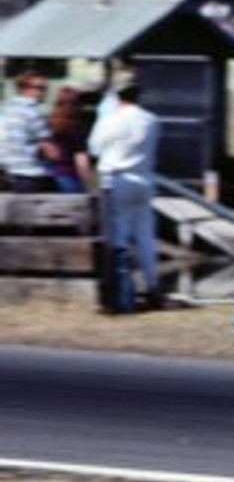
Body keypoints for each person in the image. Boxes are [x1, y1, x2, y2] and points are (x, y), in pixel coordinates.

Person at [88, 81, 161, 313]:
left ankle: (121, 294)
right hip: (144, 178)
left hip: (118, 179)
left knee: (119, 236)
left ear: (118, 98)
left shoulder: (111, 121)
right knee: (145, 235)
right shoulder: (151, 120)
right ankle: (153, 287)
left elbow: (94, 148)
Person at [2, 70, 56, 192]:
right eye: (39, 88)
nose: (43, 92)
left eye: (45, 88)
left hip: (6, 172)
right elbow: (50, 150)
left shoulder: (6, 109)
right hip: (30, 174)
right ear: (23, 88)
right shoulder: (34, 111)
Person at [46, 88, 93, 193]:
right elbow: (81, 160)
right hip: (69, 179)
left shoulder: (48, 123)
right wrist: (89, 186)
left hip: (48, 177)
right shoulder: (76, 128)